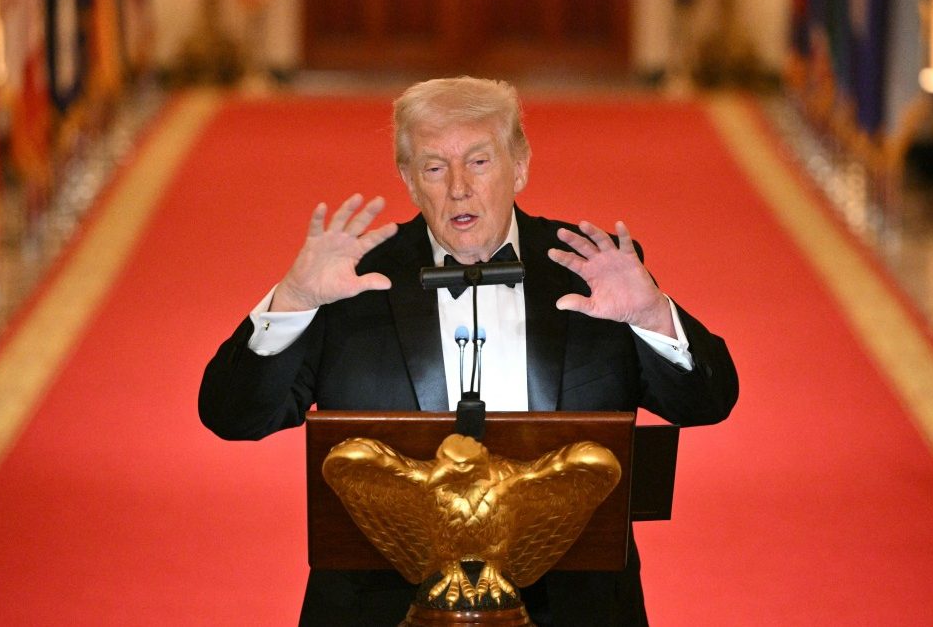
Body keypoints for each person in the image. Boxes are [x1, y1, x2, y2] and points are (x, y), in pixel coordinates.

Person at [199, 76, 738, 626]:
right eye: (434, 167)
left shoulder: (591, 272)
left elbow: (709, 402)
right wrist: (293, 300)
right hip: (380, 607)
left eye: (479, 162)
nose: (458, 187)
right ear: (409, 179)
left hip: (575, 607)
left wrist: (649, 314)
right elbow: (234, 415)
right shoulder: (353, 284)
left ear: (520, 165)